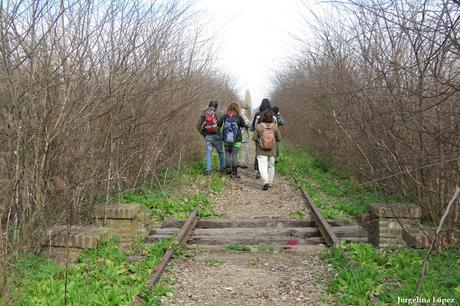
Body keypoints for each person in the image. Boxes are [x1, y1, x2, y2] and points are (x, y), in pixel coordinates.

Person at [252, 110, 282, 190]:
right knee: (271, 166)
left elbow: (254, 138)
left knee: (262, 166)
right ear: (272, 118)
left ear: (263, 117)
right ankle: (270, 181)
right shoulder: (274, 126)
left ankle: (265, 181)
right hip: (272, 151)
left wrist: (259, 140)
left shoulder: (259, 126)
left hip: (261, 151)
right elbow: (279, 138)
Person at [218, 102, 248, 178]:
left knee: (227, 154)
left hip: (226, 139)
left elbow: (219, 124)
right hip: (236, 140)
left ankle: (228, 170)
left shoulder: (225, 116)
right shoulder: (238, 117)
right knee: (234, 155)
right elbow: (244, 125)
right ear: (237, 108)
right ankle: (234, 172)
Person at [196, 100, 225, 175]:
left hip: (208, 135)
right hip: (217, 135)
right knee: (221, 152)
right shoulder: (219, 113)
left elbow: (198, 125)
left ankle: (208, 170)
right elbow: (222, 125)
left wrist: (204, 134)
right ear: (216, 106)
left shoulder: (204, 113)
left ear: (209, 105)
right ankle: (222, 169)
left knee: (208, 152)